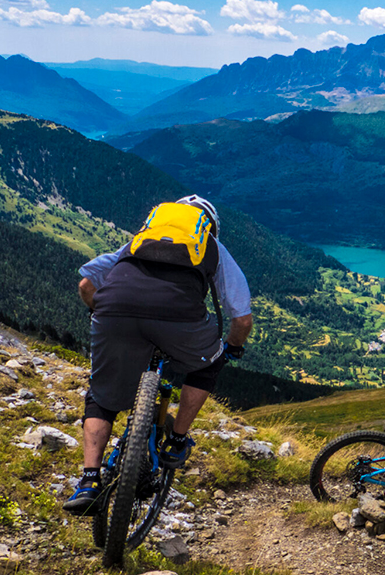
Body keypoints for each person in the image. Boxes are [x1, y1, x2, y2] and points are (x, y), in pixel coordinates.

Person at [63, 195, 253, 515]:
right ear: (208, 227)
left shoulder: (141, 240)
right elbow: (242, 319)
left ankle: (89, 480)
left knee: (102, 395)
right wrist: (232, 348)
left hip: (115, 311)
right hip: (179, 318)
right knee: (209, 363)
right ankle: (177, 441)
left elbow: (86, 285)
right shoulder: (211, 246)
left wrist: (108, 317)